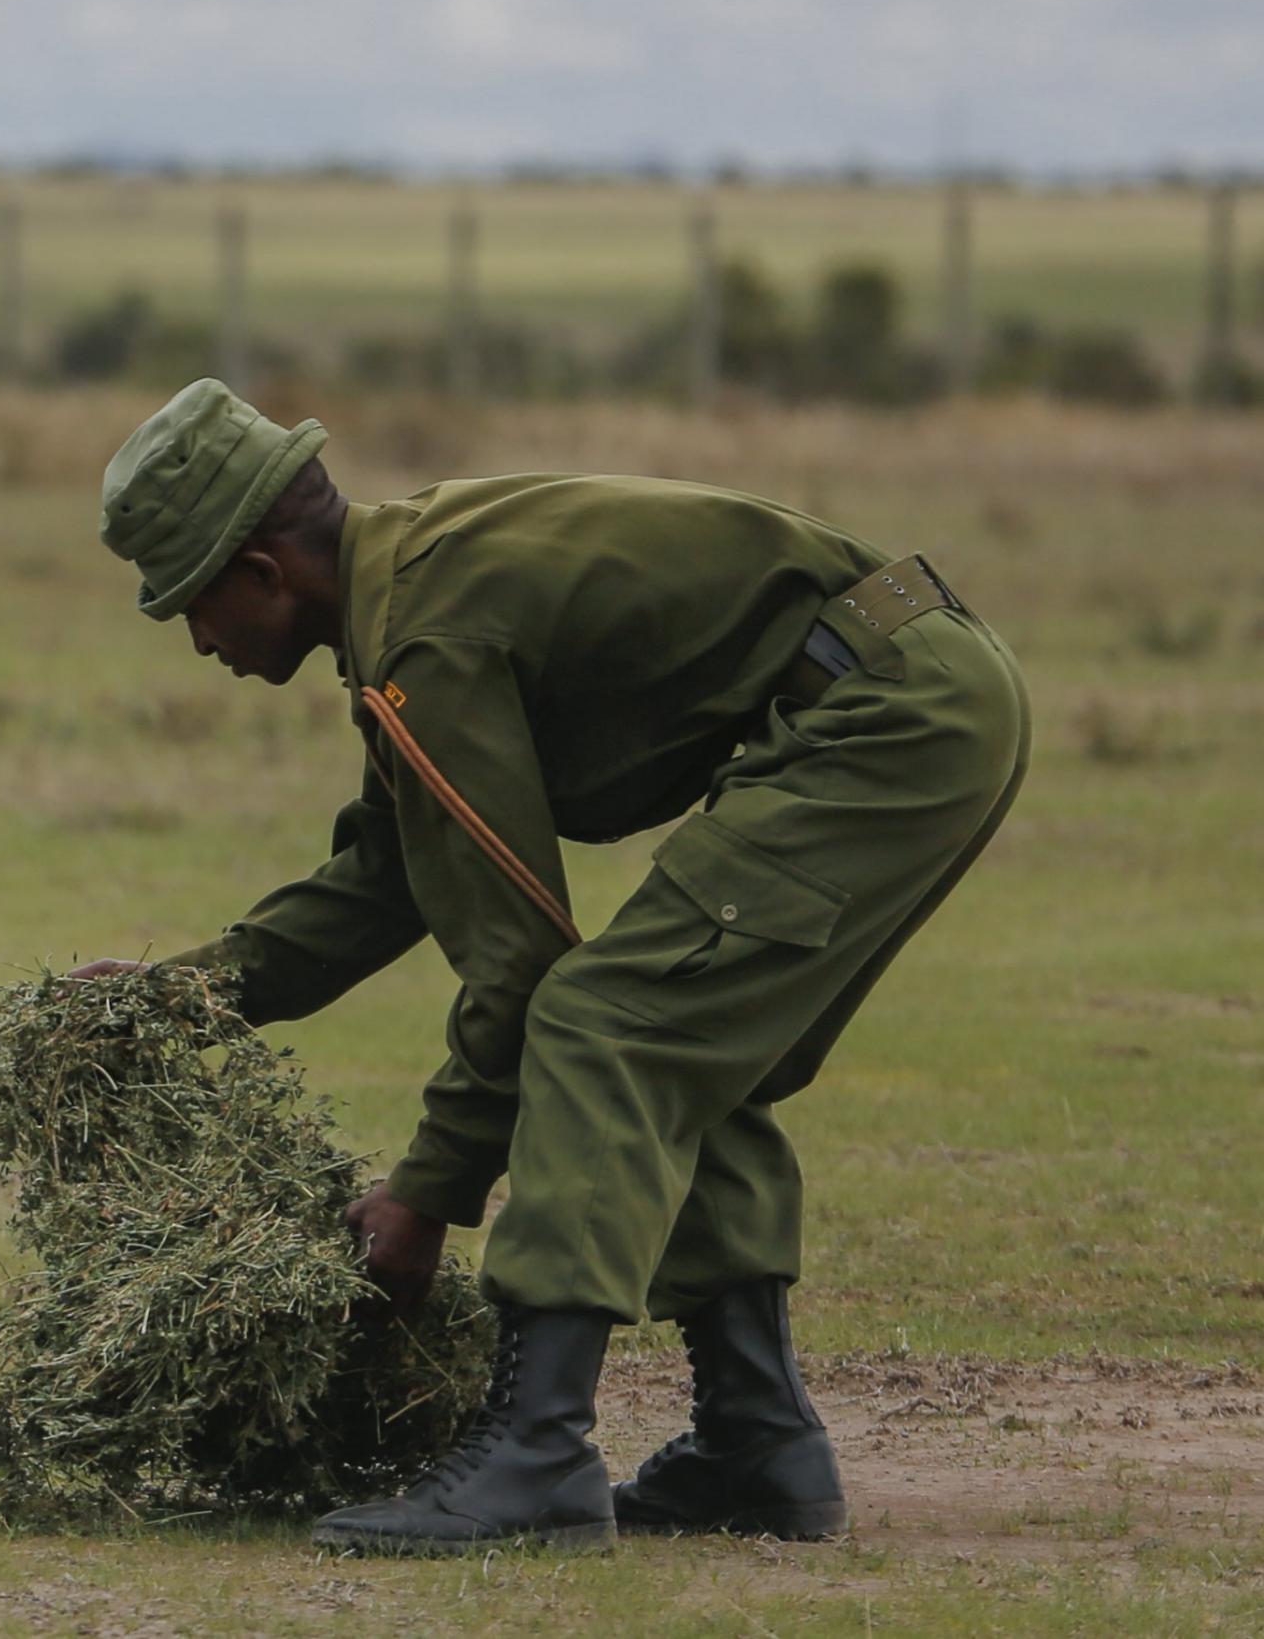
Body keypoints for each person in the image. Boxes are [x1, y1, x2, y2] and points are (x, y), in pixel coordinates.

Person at [99, 378, 1026, 1555]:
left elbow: (522, 962)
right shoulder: (414, 581)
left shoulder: (423, 637)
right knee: (675, 1031)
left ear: (264, 575)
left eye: (193, 606)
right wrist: (179, 997)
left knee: (601, 1023)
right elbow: (388, 874)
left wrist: (424, 1197)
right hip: (909, 686)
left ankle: (535, 1454)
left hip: (886, 717)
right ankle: (755, 1441)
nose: (198, 642)